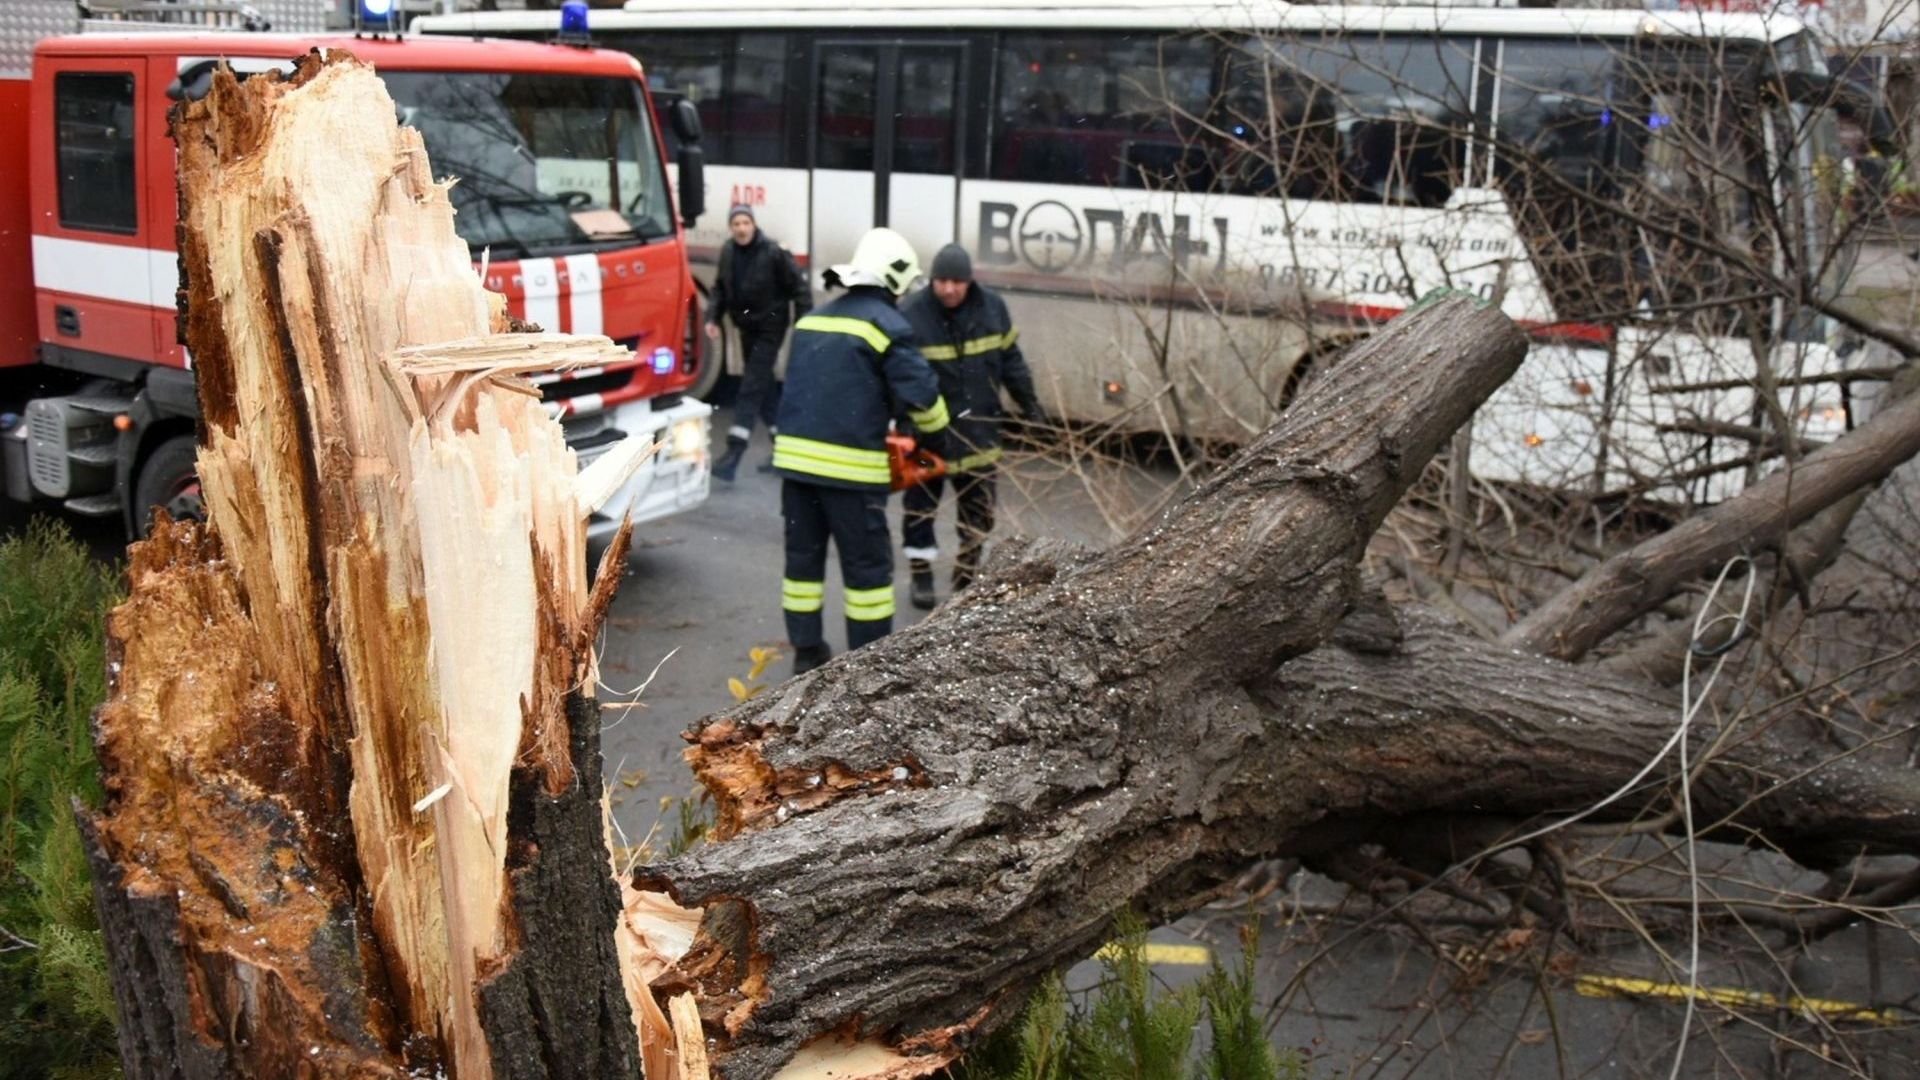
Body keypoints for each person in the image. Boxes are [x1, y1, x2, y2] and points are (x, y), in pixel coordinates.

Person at [773, 228, 951, 675]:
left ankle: (807, 651)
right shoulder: (887, 326)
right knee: (867, 572)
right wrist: (934, 444)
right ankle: (868, 666)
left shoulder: (813, 320)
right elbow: (924, 398)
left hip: (795, 469)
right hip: (852, 477)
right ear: (894, 280)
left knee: (802, 565)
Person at [898, 243, 1045, 610]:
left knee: (978, 515)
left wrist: (1030, 404)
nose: (948, 289)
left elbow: (1011, 361)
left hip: (980, 433)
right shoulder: (911, 314)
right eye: (941, 281)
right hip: (927, 438)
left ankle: (964, 578)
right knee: (919, 511)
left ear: (969, 281)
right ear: (931, 280)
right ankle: (921, 576)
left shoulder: (993, 309)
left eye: (956, 282)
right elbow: (898, 376)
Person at [705, 204, 812, 481]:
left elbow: (799, 288)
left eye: (745, 223)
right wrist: (712, 319)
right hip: (746, 328)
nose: (741, 228)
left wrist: (804, 324)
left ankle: (733, 454)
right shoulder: (729, 252)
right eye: (736, 224)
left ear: (754, 225)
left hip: (770, 328)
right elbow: (719, 288)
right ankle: (784, 450)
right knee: (763, 389)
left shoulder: (773, 252)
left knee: (751, 386)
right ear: (731, 228)